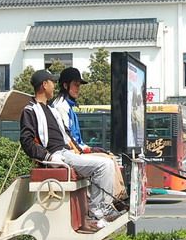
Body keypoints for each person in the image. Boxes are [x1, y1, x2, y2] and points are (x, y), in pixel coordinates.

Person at [19, 69, 120, 231]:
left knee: (107, 162)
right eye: (52, 82)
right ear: (44, 85)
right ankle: (98, 211)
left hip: (67, 153)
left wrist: (86, 150)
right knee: (104, 166)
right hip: (58, 155)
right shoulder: (30, 110)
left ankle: (102, 208)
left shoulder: (51, 110)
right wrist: (49, 157)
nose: (54, 86)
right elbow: (26, 142)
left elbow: (68, 136)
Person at [51, 67, 127, 201]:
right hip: (68, 153)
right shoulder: (60, 107)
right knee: (107, 162)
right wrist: (87, 150)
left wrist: (89, 148)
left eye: (79, 85)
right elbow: (68, 139)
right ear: (65, 85)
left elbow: (76, 139)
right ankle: (106, 203)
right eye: (75, 85)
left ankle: (118, 198)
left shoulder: (68, 106)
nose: (78, 89)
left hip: (76, 150)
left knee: (111, 157)